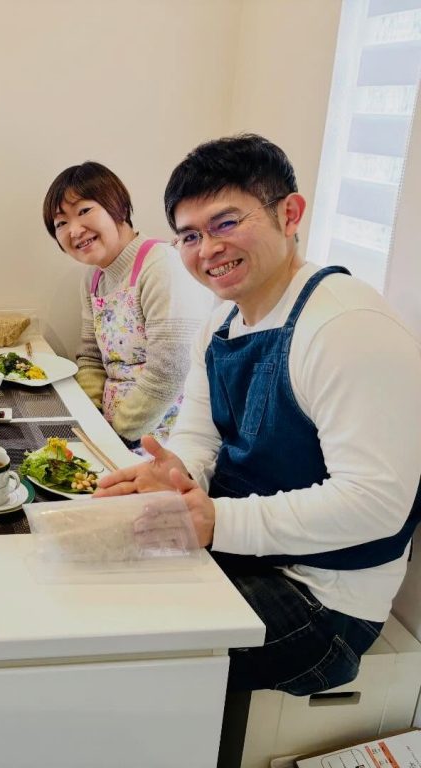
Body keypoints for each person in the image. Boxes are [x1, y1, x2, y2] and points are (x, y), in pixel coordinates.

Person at [97, 134, 421, 694]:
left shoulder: (347, 326)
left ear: (289, 214)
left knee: (109, 651)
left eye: (226, 223)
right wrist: (178, 474)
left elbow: (376, 503)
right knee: (86, 584)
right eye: (190, 236)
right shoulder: (220, 326)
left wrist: (217, 522)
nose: (207, 249)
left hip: (324, 603)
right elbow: (198, 439)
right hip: (246, 554)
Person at [42, 162, 211, 445]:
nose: (74, 230)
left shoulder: (162, 265)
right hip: (110, 431)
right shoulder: (94, 278)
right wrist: (90, 418)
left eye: (84, 211)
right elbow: (90, 357)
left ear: (118, 206)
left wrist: (117, 436)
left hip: (163, 440)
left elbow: (170, 371)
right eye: (61, 223)